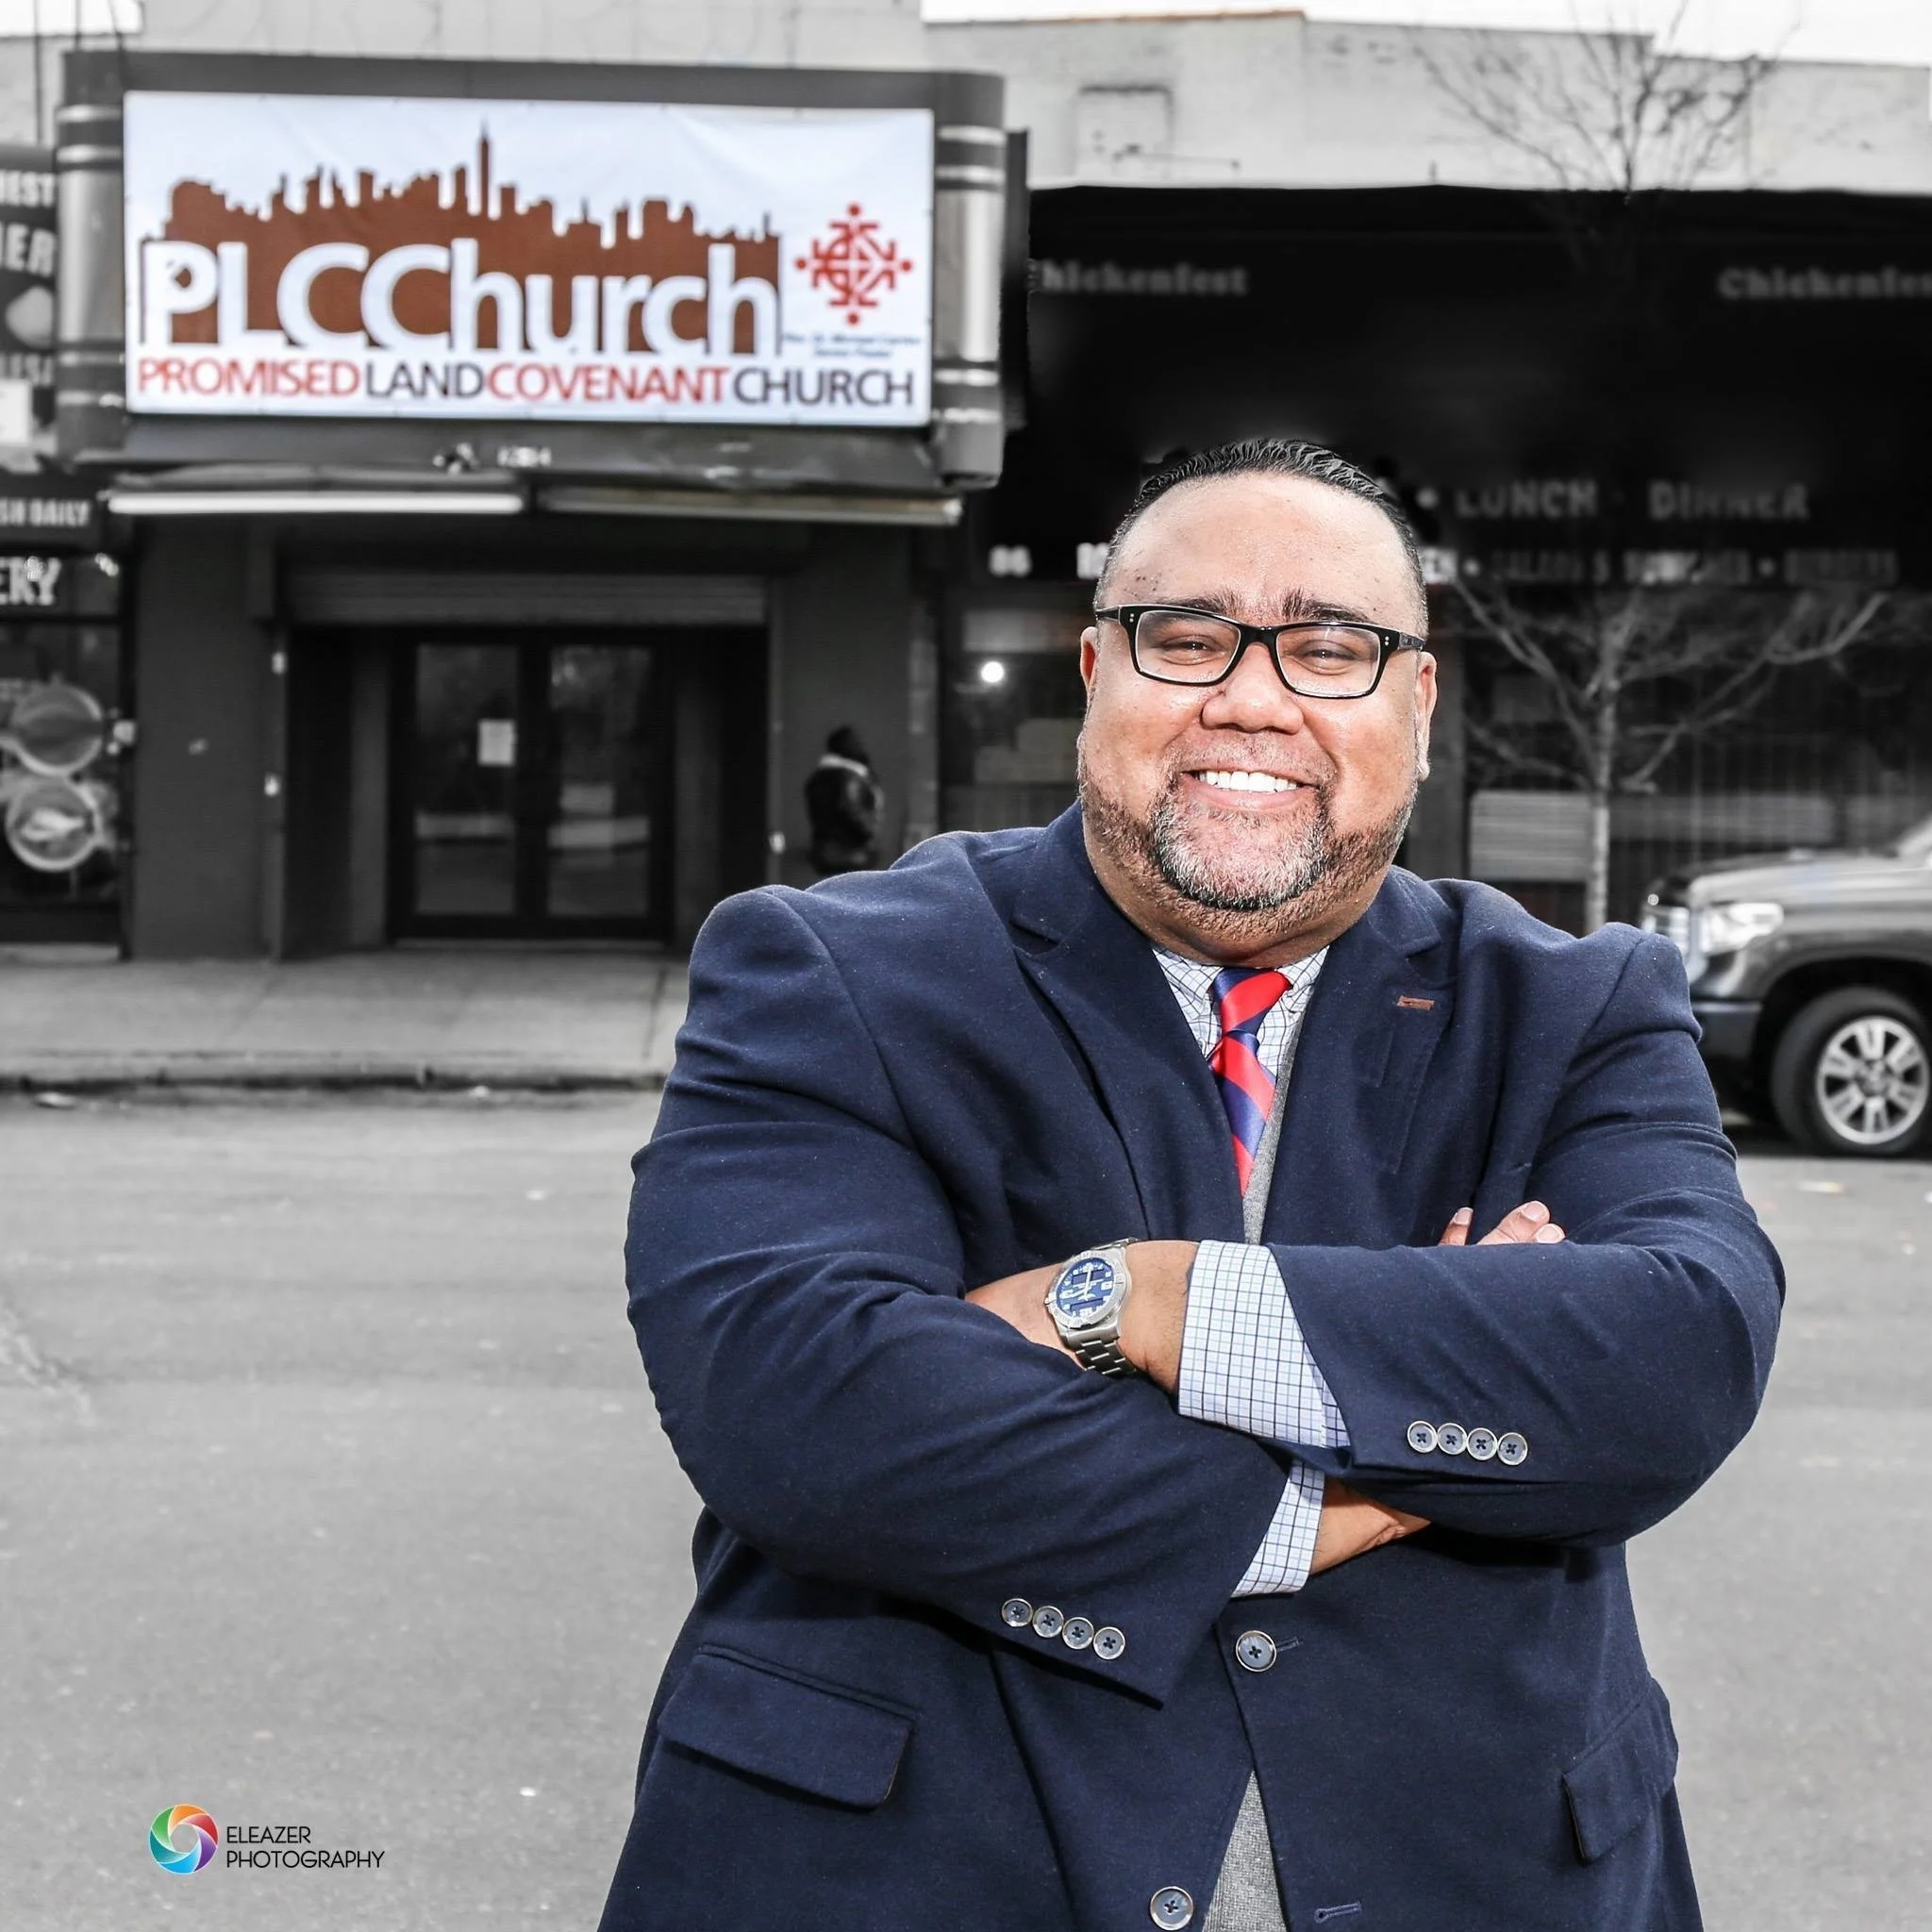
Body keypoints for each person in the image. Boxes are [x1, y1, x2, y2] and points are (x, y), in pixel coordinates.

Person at [599, 439, 1782, 1932]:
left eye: (1332, 645)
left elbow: (1671, 1363)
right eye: (1188, 635)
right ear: (1095, 671)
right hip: (911, 1878)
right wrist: (1363, 1447)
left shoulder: (1578, 1005)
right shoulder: (829, 967)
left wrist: (1138, 1302)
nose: (1253, 693)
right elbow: (800, 1399)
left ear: (1419, 706)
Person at [804, 724, 884, 874]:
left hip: (825, 853)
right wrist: (868, 837)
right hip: (850, 855)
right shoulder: (849, 778)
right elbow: (850, 810)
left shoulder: (818, 778)